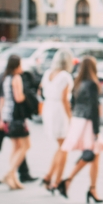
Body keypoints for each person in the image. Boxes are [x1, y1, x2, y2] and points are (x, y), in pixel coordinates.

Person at [53, 57, 103, 203]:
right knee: (92, 154)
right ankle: (69, 181)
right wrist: (96, 130)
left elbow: (73, 103)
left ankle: (92, 189)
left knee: (94, 156)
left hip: (78, 121)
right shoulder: (93, 84)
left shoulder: (78, 83)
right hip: (88, 122)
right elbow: (94, 109)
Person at [39, 48, 73, 190]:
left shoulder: (48, 74)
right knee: (65, 147)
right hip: (59, 110)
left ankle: (48, 176)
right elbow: (65, 99)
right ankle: (57, 181)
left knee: (60, 146)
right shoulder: (65, 76)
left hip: (48, 108)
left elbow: (40, 92)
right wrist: (71, 118)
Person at [0, 55, 32, 190]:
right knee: (26, 145)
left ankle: (13, 178)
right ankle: (9, 173)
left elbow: (2, 99)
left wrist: (1, 118)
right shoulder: (16, 78)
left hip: (7, 116)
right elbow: (18, 98)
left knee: (16, 147)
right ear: (17, 65)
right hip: (17, 116)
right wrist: (26, 96)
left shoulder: (5, 78)